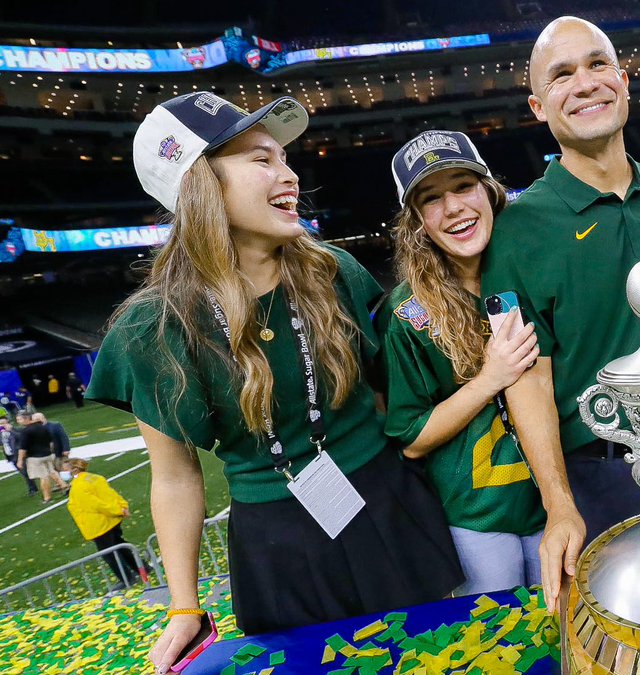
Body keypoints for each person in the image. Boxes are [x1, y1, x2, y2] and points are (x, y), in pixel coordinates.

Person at [85, 91, 462, 672]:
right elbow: (176, 476)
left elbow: (393, 398)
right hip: (277, 546)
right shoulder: (151, 328)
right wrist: (183, 606)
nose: (288, 175)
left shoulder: (339, 271)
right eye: (261, 160)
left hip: (392, 505)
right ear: (199, 187)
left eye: (283, 158)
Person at [480, 16, 640, 607]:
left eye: (597, 64)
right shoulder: (515, 230)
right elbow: (528, 375)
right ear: (537, 106)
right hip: (600, 477)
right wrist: (559, 506)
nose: (584, 83)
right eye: (561, 75)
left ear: (624, 81)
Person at [381, 131, 546, 595]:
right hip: (477, 519)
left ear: (490, 192)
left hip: (556, 500)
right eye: (431, 198)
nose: (452, 207)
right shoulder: (408, 313)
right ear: (415, 222)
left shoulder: (535, 277)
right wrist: (489, 380)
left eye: (463, 186)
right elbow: (410, 439)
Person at [64, 458, 141, 589]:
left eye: (64, 469)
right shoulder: (94, 477)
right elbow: (111, 494)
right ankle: (141, 567)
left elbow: (96, 505)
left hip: (98, 524)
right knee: (120, 545)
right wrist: (122, 507)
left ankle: (126, 578)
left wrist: (117, 510)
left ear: (73, 470)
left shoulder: (79, 486)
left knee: (109, 554)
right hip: (111, 520)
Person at [16, 410, 67, 503]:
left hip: (35, 458)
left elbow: (22, 448)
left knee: (43, 477)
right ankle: (64, 485)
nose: (18, 422)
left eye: (19, 419)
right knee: (52, 471)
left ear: (26, 419)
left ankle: (47, 498)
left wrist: (19, 460)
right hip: (48, 454)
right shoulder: (42, 427)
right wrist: (49, 451)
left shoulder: (26, 431)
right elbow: (51, 442)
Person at [1, 416, 37, 496]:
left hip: (19, 454)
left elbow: (22, 438)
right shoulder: (1, 433)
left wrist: (11, 431)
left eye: (4, 423)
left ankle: (32, 489)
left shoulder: (15, 429)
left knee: (25, 472)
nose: (2, 425)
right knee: (23, 472)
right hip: (10, 456)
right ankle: (33, 488)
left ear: (8, 423)